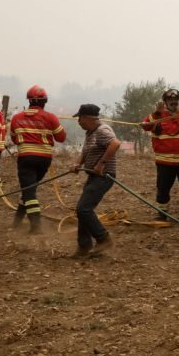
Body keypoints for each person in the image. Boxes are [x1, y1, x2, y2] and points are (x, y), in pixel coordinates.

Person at [9, 85, 67, 234]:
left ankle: (36, 227)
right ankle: (17, 221)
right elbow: (61, 137)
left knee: (29, 192)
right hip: (44, 160)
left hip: (26, 158)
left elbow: (15, 139)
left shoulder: (16, 118)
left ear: (28, 100)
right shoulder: (50, 117)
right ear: (45, 101)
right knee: (30, 189)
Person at [141, 88, 179, 221]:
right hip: (165, 163)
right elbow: (145, 125)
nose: (173, 102)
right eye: (170, 100)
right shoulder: (157, 116)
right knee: (163, 188)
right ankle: (162, 214)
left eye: (175, 100)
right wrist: (157, 113)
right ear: (165, 102)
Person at [70, 104, 121, 257]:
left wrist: (101, 164)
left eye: (80, 118)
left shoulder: (102, 130)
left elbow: (115, 144)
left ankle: (103, 238)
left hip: (104, 176)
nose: (78, 122)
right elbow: (86, 152)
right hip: (94, 176)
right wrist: (78, 164)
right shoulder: (90, 133)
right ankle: (84, 246)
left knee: (83, 209)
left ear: (87, 118)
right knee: (82, 210)